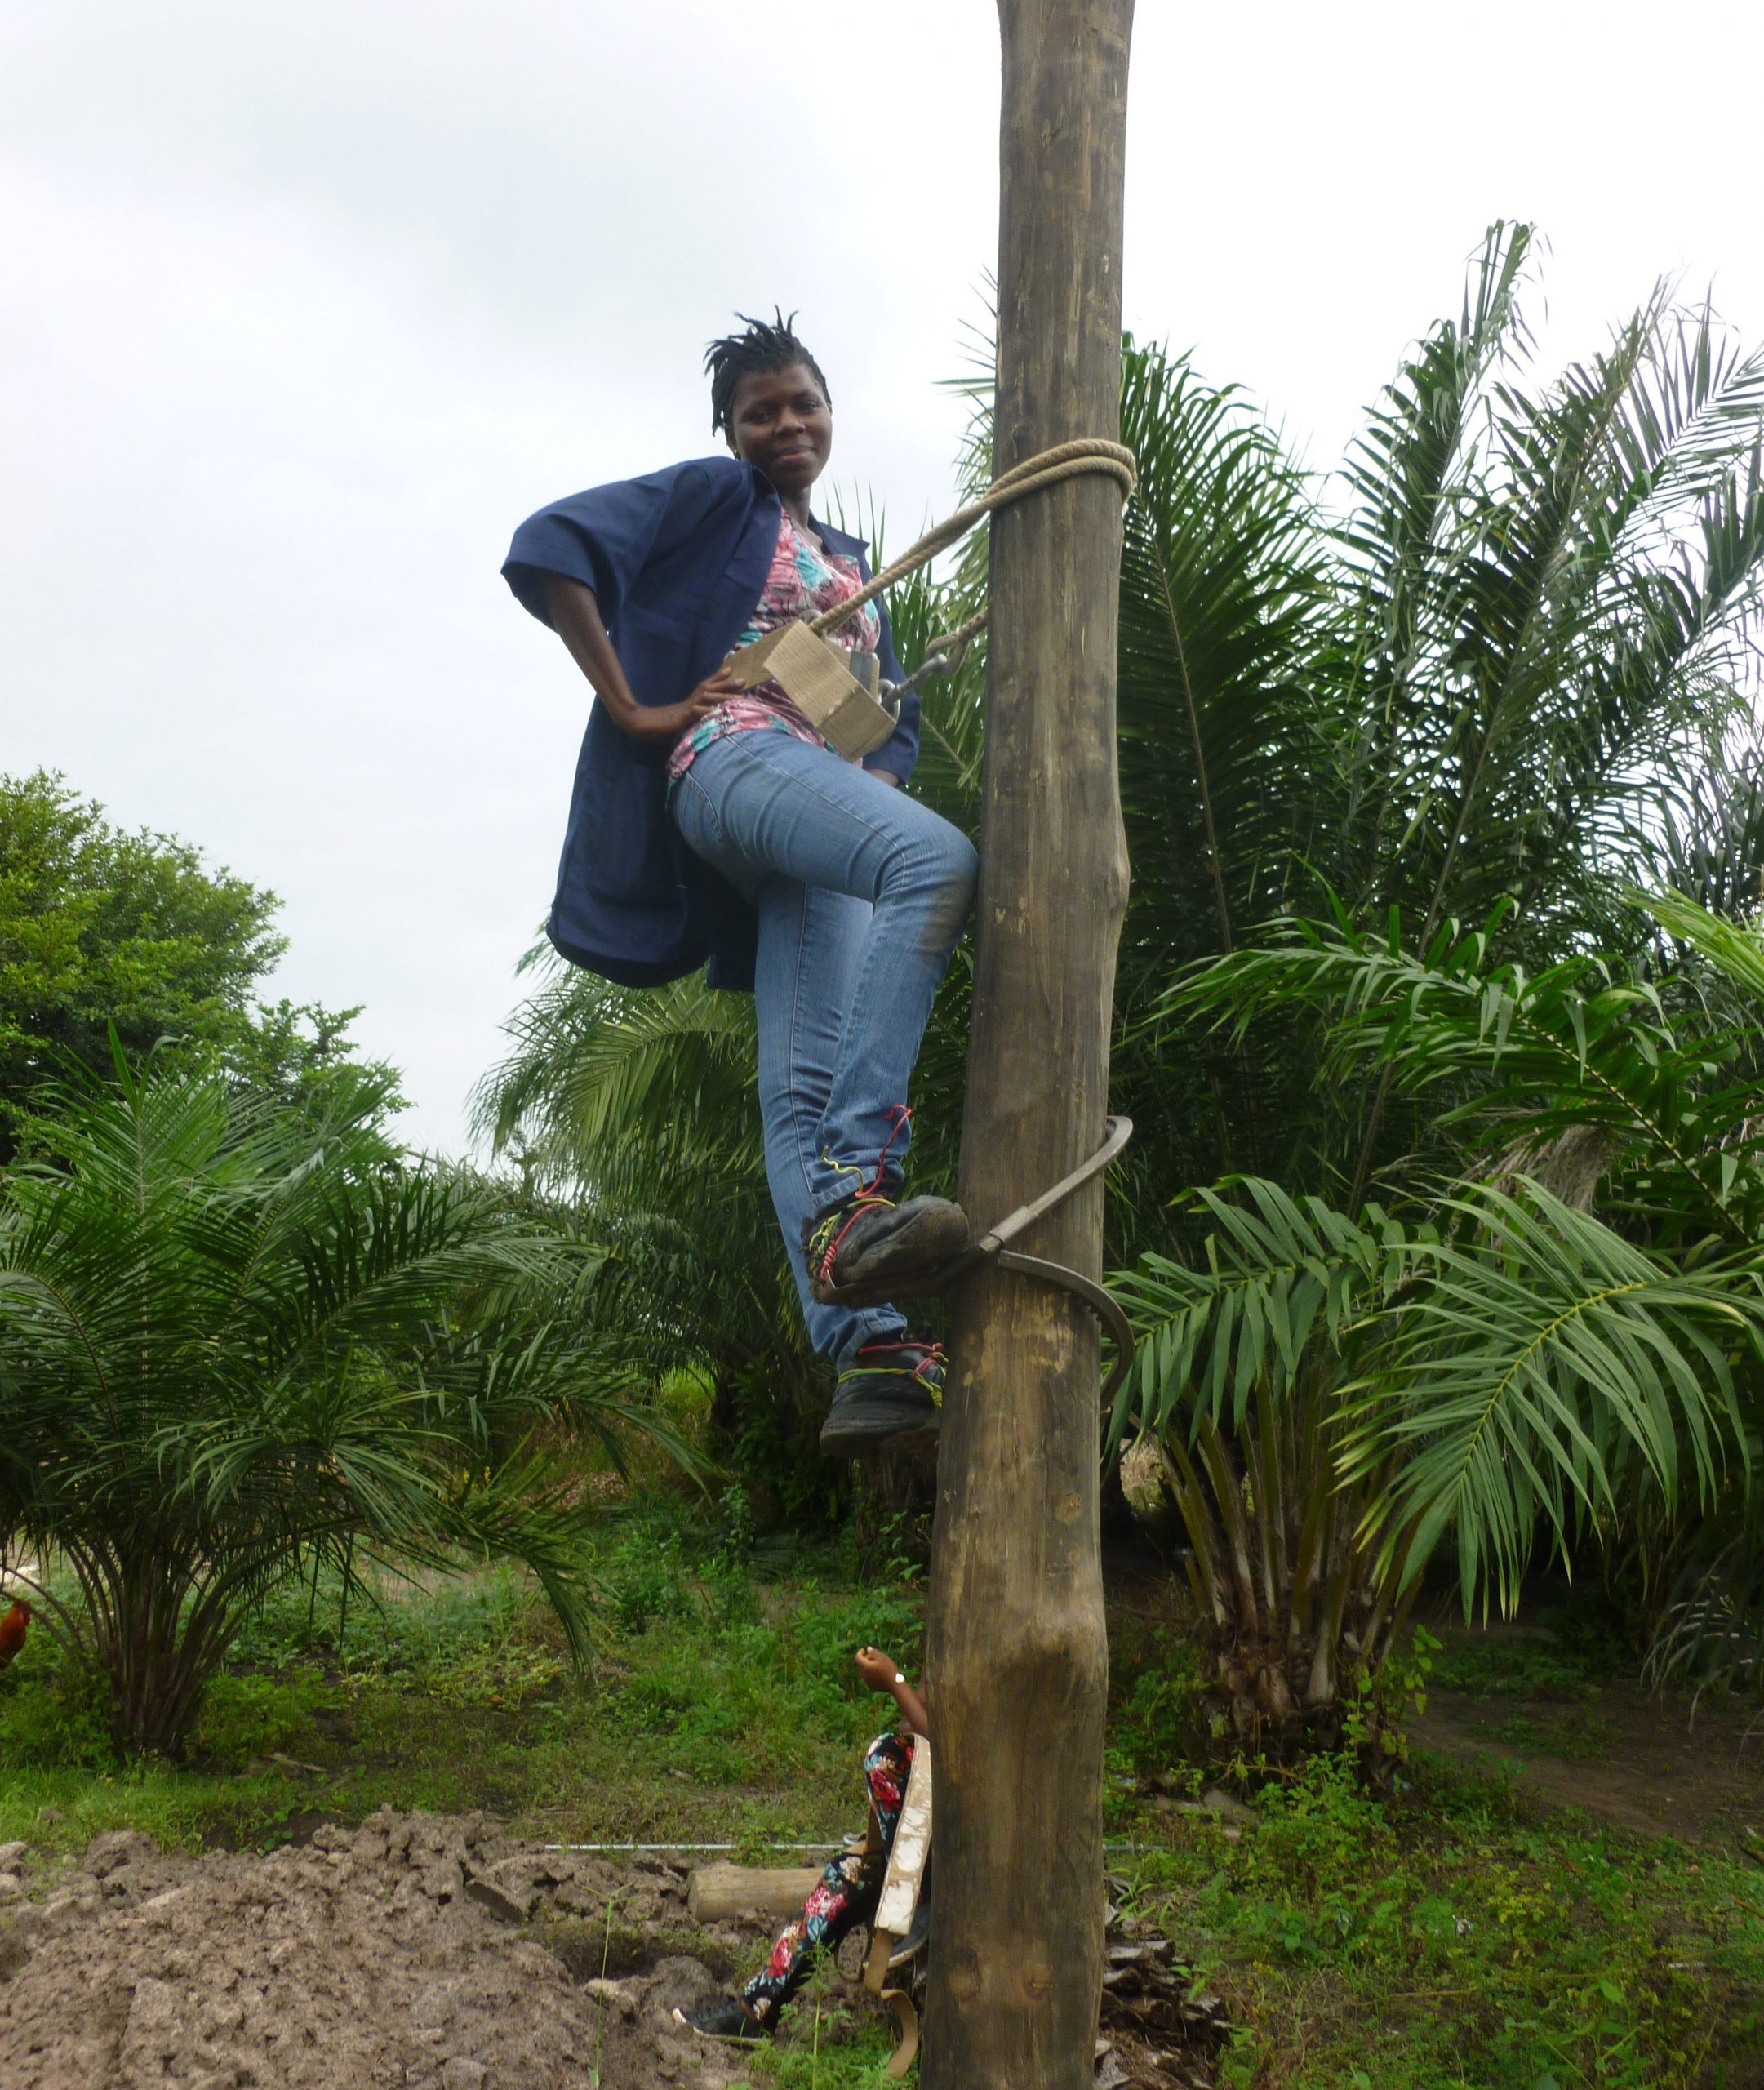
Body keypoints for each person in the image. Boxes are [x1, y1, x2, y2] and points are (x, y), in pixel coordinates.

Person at [502, 312, 978, 1457]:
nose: (785, 423)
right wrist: (635, 706)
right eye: (760, 409)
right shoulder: (722, 502)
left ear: (830, 412)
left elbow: (876, 732)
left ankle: (866, 1352)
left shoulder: (855, 566)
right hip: (731, 763)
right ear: (730, 429)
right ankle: (860, 1188)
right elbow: (552, 541)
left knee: (795, 1086)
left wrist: (872, 757)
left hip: (806, 800)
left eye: (802, 403)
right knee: (936, 860)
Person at [680, 1645, 929, 2043]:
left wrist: (894, 1681)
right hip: (918, 1843)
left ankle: (918, 1891)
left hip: (964, 1843)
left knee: (884, 1757)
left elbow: (958, 1747)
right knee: (842, 1880)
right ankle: (755, 2012)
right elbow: (924, 1721)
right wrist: (898, 1690)